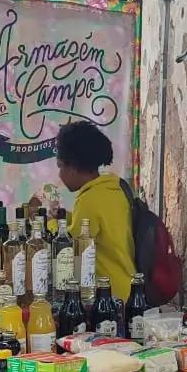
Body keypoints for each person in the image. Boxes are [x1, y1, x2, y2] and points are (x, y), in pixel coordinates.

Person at [56, 120, 136, 301]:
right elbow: (94, 225)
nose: (59, 175)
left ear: (73, 169)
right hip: (129, 287)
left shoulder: (88, 200)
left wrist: (52, 224)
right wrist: (65, 217)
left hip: (111, 296)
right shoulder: (114, 188)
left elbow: (68, 246)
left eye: (60, 166)